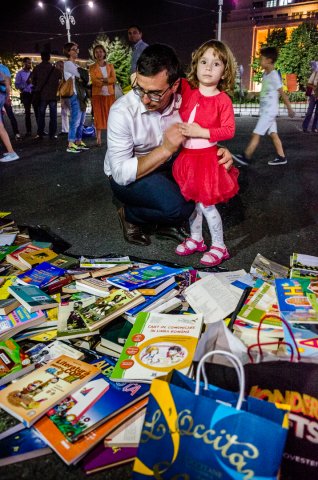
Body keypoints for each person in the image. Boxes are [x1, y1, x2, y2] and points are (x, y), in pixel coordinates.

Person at [104, 43, 233, 247]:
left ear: (174, 86)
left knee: (206, 188)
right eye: (139, 88)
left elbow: (202, 129)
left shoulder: (187, 96)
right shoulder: (122, 111)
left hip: (170, 163)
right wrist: (165, 149)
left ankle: (163, 213)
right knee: (179, 208)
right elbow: (120, 174)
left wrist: (219, 150)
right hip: (130, 172)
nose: (145, 99)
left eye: (155, 93)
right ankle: (129, 214)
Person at [172, 40, 239, 267]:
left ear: (225, 71)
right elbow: (169, 76)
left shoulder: (223, 100)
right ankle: (197, 239)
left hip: (206, 160)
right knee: (191, 203)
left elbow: (229, 130)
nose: (208, 67)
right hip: (187, 158)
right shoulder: (188, 90)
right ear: (196, 64)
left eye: (216, 63)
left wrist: (202, 131)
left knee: (207, 205)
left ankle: (219, 246)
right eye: (204, 61)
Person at [232, 46, 295, 167]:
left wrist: (290, 109)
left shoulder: (274, 76)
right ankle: (281, 157)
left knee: (256, 134)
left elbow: (283, 94)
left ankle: (247, 156)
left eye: (262, 59)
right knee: (273, 134)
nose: (260, 62)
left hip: (269, 112)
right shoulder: (266, 74)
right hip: (267, 110)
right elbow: (266, 92)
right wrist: (254, 94)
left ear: (269, 60)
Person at [63, 42, 89, 153]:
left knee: (82, 120)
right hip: (74, 95)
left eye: (77, 49)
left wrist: (83, 76)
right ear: (68, 52)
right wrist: (83, 76)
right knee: (75, 120)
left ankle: (78, 141)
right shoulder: (68, 64)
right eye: (74, 49)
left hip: (82, 95)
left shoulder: (77, 65)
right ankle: (70, 143)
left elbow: (85, 78)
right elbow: (81, 76)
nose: (76, 51)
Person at [89, 44, 116, 146]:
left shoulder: (110, 66)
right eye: (96, 52)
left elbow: (114, 79)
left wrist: (104, 80)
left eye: (101, 51)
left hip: (110, 94)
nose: (99, 54)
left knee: (111, 116)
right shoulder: (92, 67)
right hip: (97, 95)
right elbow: (94, 81)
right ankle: (98, 139)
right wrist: (107, 81)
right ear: (94, 54)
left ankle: (111, 139)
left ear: (104, 53)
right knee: (98, 116)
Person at [31, 51, 62, 140]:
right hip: (52, 95)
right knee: (53, 115)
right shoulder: (55, 70)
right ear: (49, 58)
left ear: (41, 57)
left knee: (41, 115)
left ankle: (40, 133)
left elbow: (33, 81)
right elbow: (61, 79)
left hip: (42, 95)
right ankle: (52, 134)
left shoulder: (37, 68)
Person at [0, 66, 19, 162]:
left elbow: (6, 80)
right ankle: (10, 151)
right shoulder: (4, 67)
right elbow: (8, 81)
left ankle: (12, 153)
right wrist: (7, 96)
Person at [15, 57, 36, 137]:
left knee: (38, 112)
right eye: (28, 63)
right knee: (27, 113)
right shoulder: (19, 73)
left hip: (33, 94)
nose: (29, 64)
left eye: (30, 63)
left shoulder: (33, 73)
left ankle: (40, 131)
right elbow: (17, 85)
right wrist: (26, 83)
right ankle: (29, 131)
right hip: (26, 94)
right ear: (23, 63)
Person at [302, 61, 318, 133]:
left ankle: (314, 128)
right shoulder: (315, 73)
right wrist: (314, 87)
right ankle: (305, 127)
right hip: (313, 95)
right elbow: (308, 84)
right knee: (309, 112)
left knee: (317, 113)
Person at [56, 60, 70, 135]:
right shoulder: (61, 74)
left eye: (57, 66)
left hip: (68, 95)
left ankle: (67, 129)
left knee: (67, 112)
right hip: (64, 96)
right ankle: (65, 129)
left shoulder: (66, 74)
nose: (56, 68)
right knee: (64, 112)